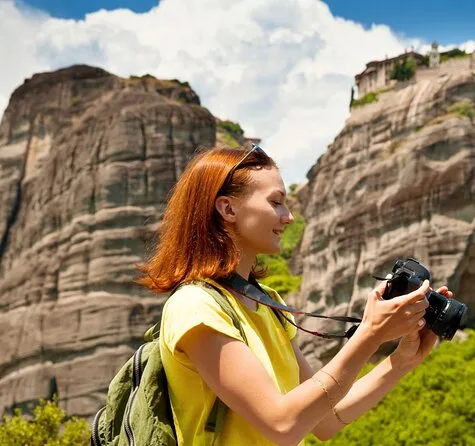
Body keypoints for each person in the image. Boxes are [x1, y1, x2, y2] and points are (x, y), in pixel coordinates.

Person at [137, 144, 454, 445]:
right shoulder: (196, 306)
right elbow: (282, 425)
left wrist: (401, 362)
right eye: (276, 202)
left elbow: (326, 420)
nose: (288, 217)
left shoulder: (265, 303)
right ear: (228, 208)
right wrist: (371, 333)